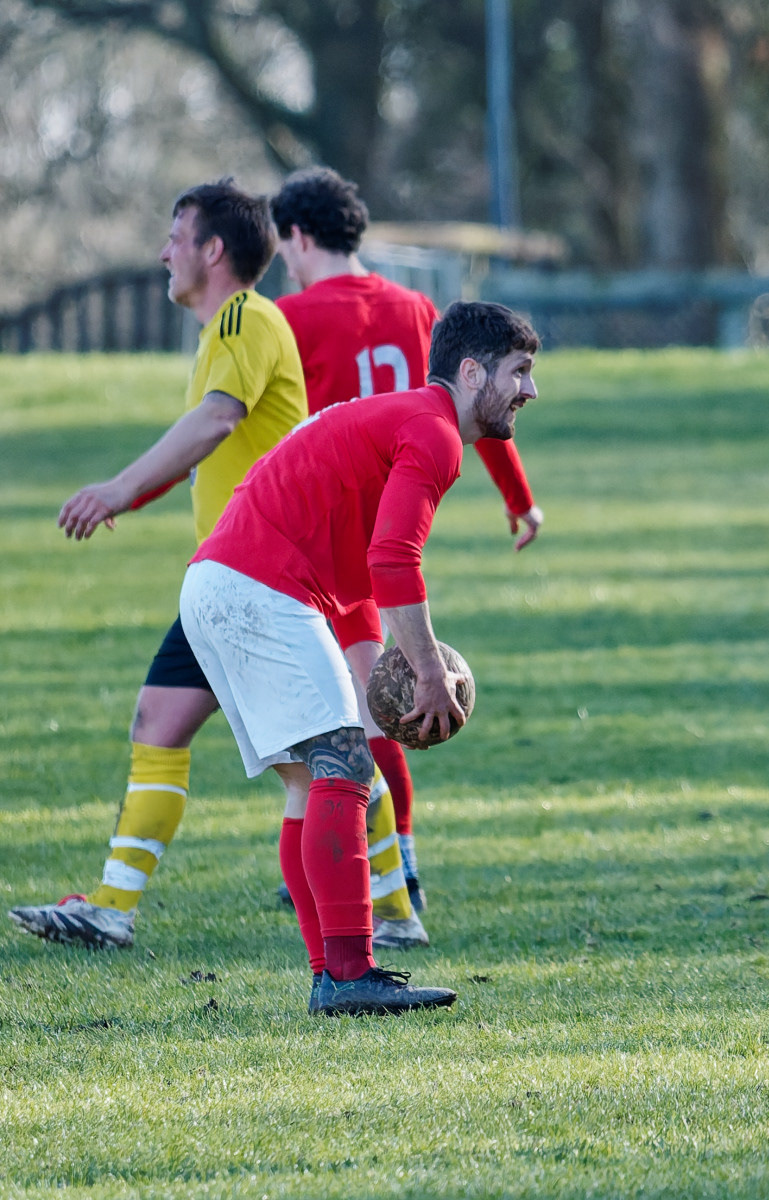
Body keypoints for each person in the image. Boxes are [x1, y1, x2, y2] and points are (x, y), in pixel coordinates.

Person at [177, 299, 537, 1015]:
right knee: (345, 764)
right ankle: (349, 975)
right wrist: (428, 673)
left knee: (311, 783)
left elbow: (360, 566)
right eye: (520, 371)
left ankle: (332, 976)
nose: (531, 389)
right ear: (472, 373)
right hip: (258, 587)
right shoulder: (433, 433)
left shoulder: (413, 420)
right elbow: (393, 558)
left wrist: (384, 668)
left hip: (224, 584)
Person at [9, 180, 307, 950]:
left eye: (175, 237)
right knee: (160, 721)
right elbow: (203, 445)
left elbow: (217, 421)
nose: (162, 252)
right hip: (228, 580)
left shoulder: (243, 317)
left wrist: (115, 488)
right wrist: (126, 497)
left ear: (214, 250)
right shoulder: (226, 331)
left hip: (261, 578)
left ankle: (391, 903)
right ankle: (111, 907)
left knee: (312, 760)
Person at [271, 168, 546, 948]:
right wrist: (518, 497)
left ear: (297, 237)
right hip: (382, 528)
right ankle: (393, 868)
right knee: (375, 705)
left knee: (357, 717)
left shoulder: (288, 318)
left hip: (320, 538)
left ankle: (380, 886)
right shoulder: (417, 308)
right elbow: (470, 418)